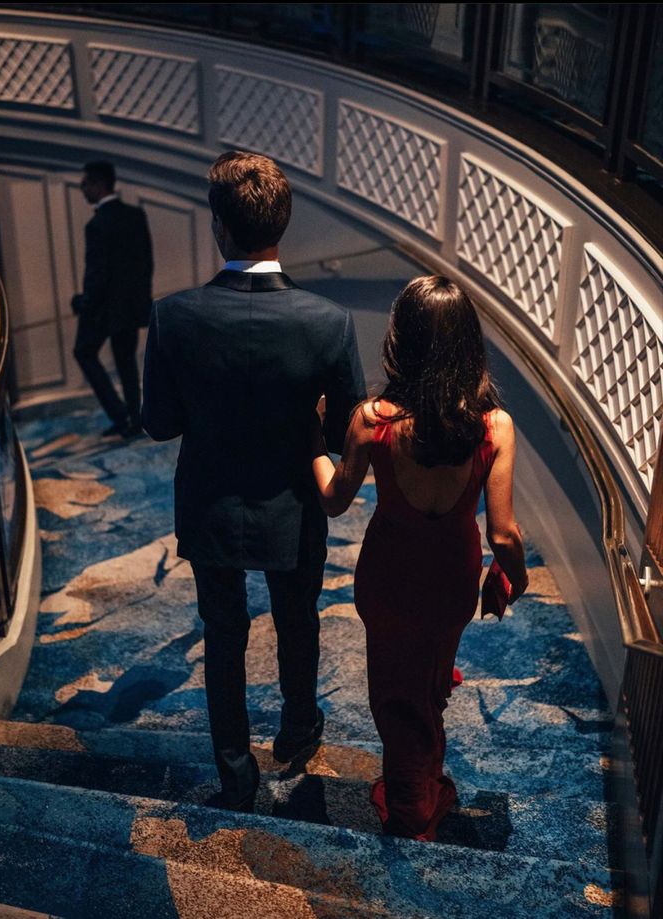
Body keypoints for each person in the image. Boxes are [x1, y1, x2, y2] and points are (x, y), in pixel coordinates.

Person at [142, 151, 366, 811]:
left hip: (209, 499)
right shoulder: (327, 322)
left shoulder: (173, 316)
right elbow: (351, 422)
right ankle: (298, 730)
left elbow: (158, 423)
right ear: (284, 222)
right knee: (297, 618)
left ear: (219, 225)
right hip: (294, 501)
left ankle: (235, 775)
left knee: (223, 631)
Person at [312, 275, 528, 840]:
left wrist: (312, 442)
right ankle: (426, 780)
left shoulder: (372, 418)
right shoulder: (494, 425)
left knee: (393, 691)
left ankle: (411, 809)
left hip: (388, 575)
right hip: (451, 576)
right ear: (467, 342)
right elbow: (503, 536)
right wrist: (513, 579)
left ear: (400, 340)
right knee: (429, 682)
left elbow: (334, 501)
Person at [72, 160, 153, 438]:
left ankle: (121, 415)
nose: (82, 189)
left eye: (85, 184)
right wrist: (141, 303)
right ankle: (133, 418)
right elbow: (146, 264)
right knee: (127, 363)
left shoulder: (96, 225)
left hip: (103, 309)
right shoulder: (135, 215)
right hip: (130, 307)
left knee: (83, 352)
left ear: (98, 184)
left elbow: (97, 274)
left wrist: (84, 303)